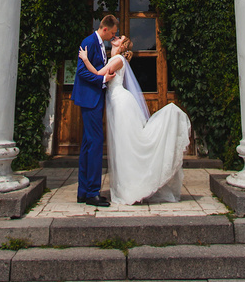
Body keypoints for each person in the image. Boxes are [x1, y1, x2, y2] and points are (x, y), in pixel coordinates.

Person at [94, 29, 192, 206]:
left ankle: (131, 186)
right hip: (117, 102)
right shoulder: (115, 58)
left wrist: (84, 61)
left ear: (122, 45)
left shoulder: (117, 59)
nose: (115, 37)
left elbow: (99, 74)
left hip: (121, 103)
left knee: (126, 144)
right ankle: (128, 185)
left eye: (119, 38)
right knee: (123, 144)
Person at [71, 14, 115, 207]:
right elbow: (81, 71)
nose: (113, 36)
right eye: (112, 33)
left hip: (95, 98)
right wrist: (102, 79)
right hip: (90, 99)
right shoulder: (89, 42)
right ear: (105, 29)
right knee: (96, 143)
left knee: (88, 145)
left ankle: (83, 192)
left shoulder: (99, 43)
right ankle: (92, 193)